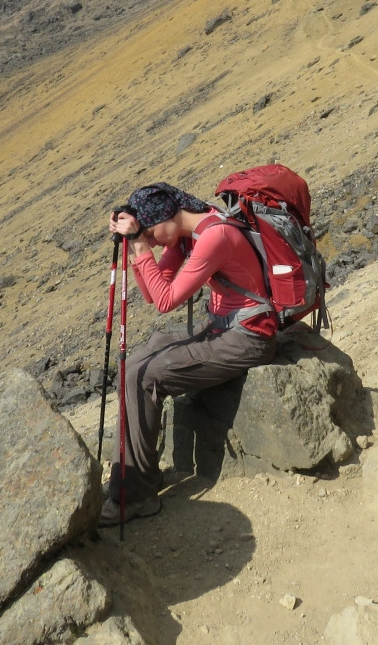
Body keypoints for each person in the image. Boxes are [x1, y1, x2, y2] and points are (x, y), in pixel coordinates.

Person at [101, 182, 277, 526]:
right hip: (222, 327)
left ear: (168, 216)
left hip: (248, 336)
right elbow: (154, 295)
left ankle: (136, 496)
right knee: (141, 357)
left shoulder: (215, 236)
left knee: (143, 374)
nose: (152, 240)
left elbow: (166, 301)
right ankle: (136, 478)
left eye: (151, 232)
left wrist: (139, 245)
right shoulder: (185, 234)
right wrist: (139, 249)